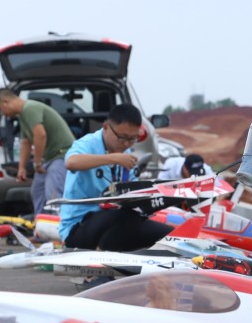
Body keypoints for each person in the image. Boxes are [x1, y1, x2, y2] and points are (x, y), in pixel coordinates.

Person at [58, 104, 171, 252]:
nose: (126, 144)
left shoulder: (125, 153)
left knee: (169, 236)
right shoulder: (87, 144)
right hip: (79, 227)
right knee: (127, 216)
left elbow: (132, 194)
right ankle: (100, 268)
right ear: (105, 127)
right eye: (122, 138)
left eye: (132, 139)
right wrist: (112, 158)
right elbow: (71, 163)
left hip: (115, 221)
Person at [0, 87, 75, 215]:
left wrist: (36, 162)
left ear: (6, 102)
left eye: (0, 109)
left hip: (62, 155)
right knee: (37, 191)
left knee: (53, 194)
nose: (2, 113)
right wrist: (21, 168)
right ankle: (41, 230)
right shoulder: (23, 115)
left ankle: (59, 229)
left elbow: (40, 135)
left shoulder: (30, 108)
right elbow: (25, 142)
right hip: (49, 158)